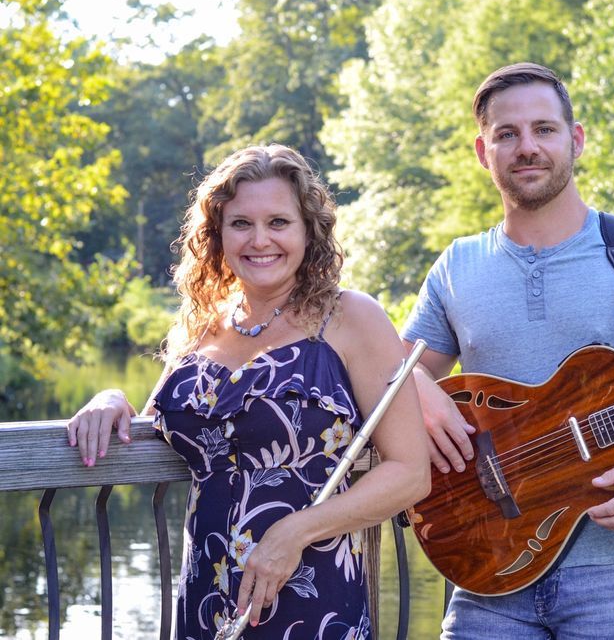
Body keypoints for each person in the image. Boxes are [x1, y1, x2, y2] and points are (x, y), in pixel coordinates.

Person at [400, 63, 614, 639]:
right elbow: (395, 377)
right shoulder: (457, 266)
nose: (527, 147)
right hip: (488, 566)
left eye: (544, 129)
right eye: (507, 134)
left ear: (574, 140)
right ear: (484, 152)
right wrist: (420, 390)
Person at [66, 144, 431, 640]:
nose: (260, 240)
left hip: (311, 592)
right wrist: (110, 399)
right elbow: (157, 423)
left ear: (309, 231)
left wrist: (294, 532)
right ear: (217, 233)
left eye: (278, 222)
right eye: (241, 223)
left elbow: (410, 473)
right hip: (205, 596)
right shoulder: (201, 325)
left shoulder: (350, 318)